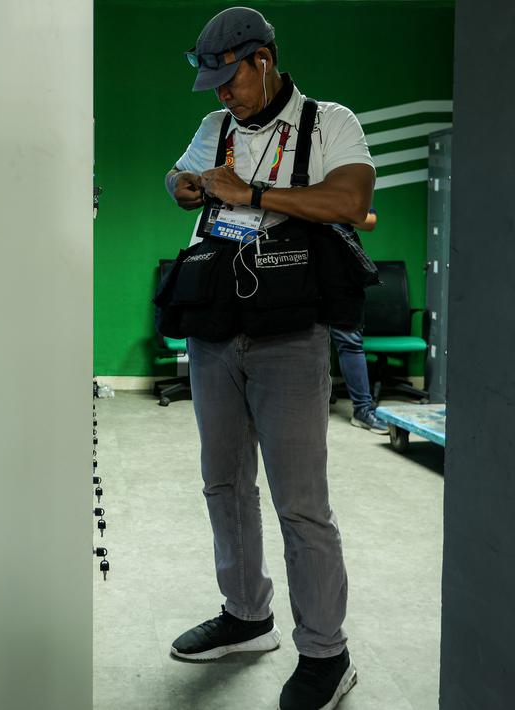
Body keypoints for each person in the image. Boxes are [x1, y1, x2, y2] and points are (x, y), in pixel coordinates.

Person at [160, 7, 373, 710]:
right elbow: (179, 180)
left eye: (231, 80)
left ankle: (325, 652)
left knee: (300, 503)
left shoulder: (326, 121)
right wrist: (186, 185)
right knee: (223, 484)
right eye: (213, 84)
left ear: (261, 58)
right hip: (215, 326)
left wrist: (248, 193)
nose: (223, 94)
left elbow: (349, 198)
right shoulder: (214, 128)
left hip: (290, 335)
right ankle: (247, 616)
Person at [333, 207, 388, 434]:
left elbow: (370, 219)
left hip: (340, 274)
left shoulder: (342, 181)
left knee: (350, 342)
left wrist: (325, 209)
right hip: (298, 268)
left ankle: (362, 410)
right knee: (293, 343)